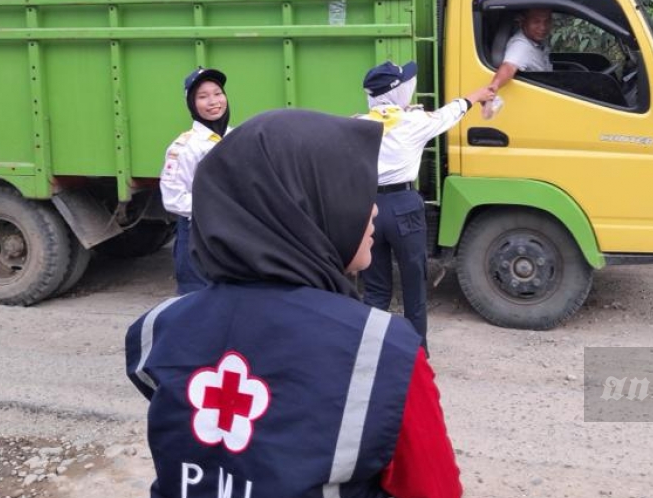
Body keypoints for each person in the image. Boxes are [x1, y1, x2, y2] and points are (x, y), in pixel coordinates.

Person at [126, 109, 463, 498]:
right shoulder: (383, 350)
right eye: (353, 191)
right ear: (301, 208)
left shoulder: (159, 328)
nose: (372, 210)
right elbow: (434, 490)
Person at [360, 60, 495, 346]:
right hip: (404, 206)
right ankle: (416, 355)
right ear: (397, 91)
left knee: (375, 290)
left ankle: (371, 353)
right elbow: (452, 111)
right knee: (413, 285)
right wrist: (478, 95)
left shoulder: (357, 124)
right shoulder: (417, 122)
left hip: (368, 208)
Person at [159, 66, 231, 294]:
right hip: (198, 234)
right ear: (191, 103)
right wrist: (214, 206)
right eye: (203, 97)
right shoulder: (184, 147)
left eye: (218, 93)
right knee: (196, 298)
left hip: (232, 230)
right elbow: (173, 199)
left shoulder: (235, 136)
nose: (213, 101)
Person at [491, 7, 553, 90]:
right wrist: (492, 89)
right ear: (522, 22)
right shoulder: (521, 46)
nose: (543, 27)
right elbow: (509, 67)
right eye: (536, 21)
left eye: (547, 21)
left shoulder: (537, 40)